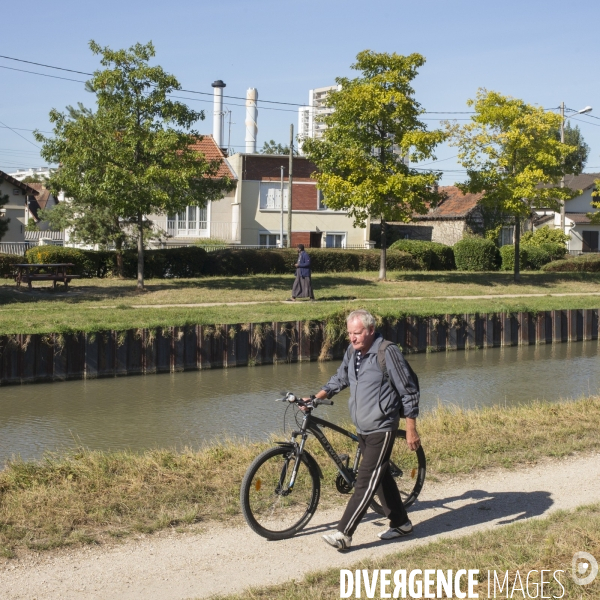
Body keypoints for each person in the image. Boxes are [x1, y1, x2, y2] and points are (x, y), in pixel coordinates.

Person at [309, 309, 420, 550]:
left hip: (382, 426)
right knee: (381, 478)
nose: (352, 338)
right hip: (363, 427)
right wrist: (315, 398)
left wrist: (411, 428)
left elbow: (409, 391)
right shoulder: (353, 352)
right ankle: (401, 523)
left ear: (370, 330)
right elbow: (340, 379)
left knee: (365, 480)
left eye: (357, 333)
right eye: (349, 333)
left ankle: (344, 533)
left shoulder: (387, 352)